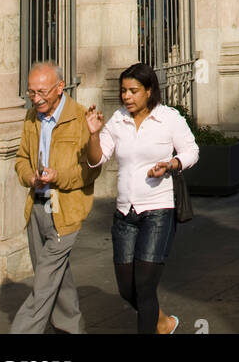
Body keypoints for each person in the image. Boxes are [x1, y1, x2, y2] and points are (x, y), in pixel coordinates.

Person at [85, 62, 198, 334]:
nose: (126, 97)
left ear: (149, 91)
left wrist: (170, 164)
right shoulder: (118, 120)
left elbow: (191, 151)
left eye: (133, 91)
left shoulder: (168, 118)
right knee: (128, 289)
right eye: (123, 91)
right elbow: (96, 160)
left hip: (158, 210)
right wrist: (93, 134)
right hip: (125, 213)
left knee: (145, 286)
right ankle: (163, 323)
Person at [11, 61, 100, 335]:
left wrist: (57, 176)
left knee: (44, 283)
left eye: (42, 92)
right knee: (57, 279)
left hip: (66, 211)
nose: (36, 99)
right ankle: (72, 329)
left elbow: (90, 172)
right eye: (31, 93)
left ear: (60, 87)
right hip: (37, 208)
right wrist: (31, 177)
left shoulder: (81, 117)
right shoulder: (31, 118)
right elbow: (21, 160)